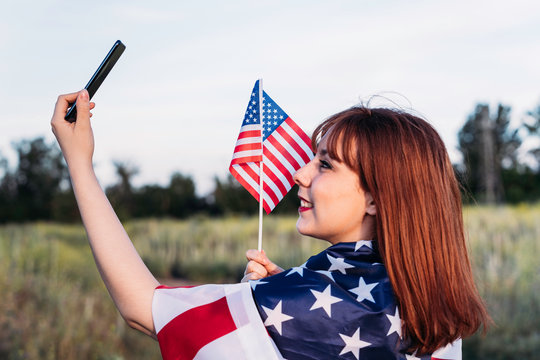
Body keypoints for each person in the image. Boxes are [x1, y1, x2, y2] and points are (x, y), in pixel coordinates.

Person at [51, 90, 490, 360]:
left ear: (377, 197)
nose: (301, 175)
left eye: (325, 165)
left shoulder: (294, 311)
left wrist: (79, 162)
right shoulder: (432, 302)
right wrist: (285, 291)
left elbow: (142, 307)